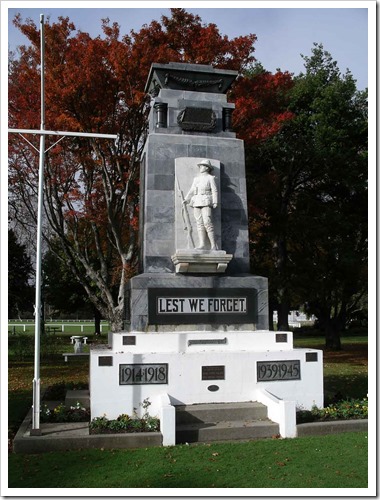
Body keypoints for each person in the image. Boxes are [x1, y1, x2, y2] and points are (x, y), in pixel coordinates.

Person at [183, 159, 218, 250]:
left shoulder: (211, 178)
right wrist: (186, 199)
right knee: (199, 223)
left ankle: (213, 245)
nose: (200, 168)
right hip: (197, 200)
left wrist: (215, 201)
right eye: (200, 166)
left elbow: (214, 190)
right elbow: (192, 189)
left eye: (202, 166)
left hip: (206, 200)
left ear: (207, 168)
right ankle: (202, 244)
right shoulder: (196, 179)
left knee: (207, 222)